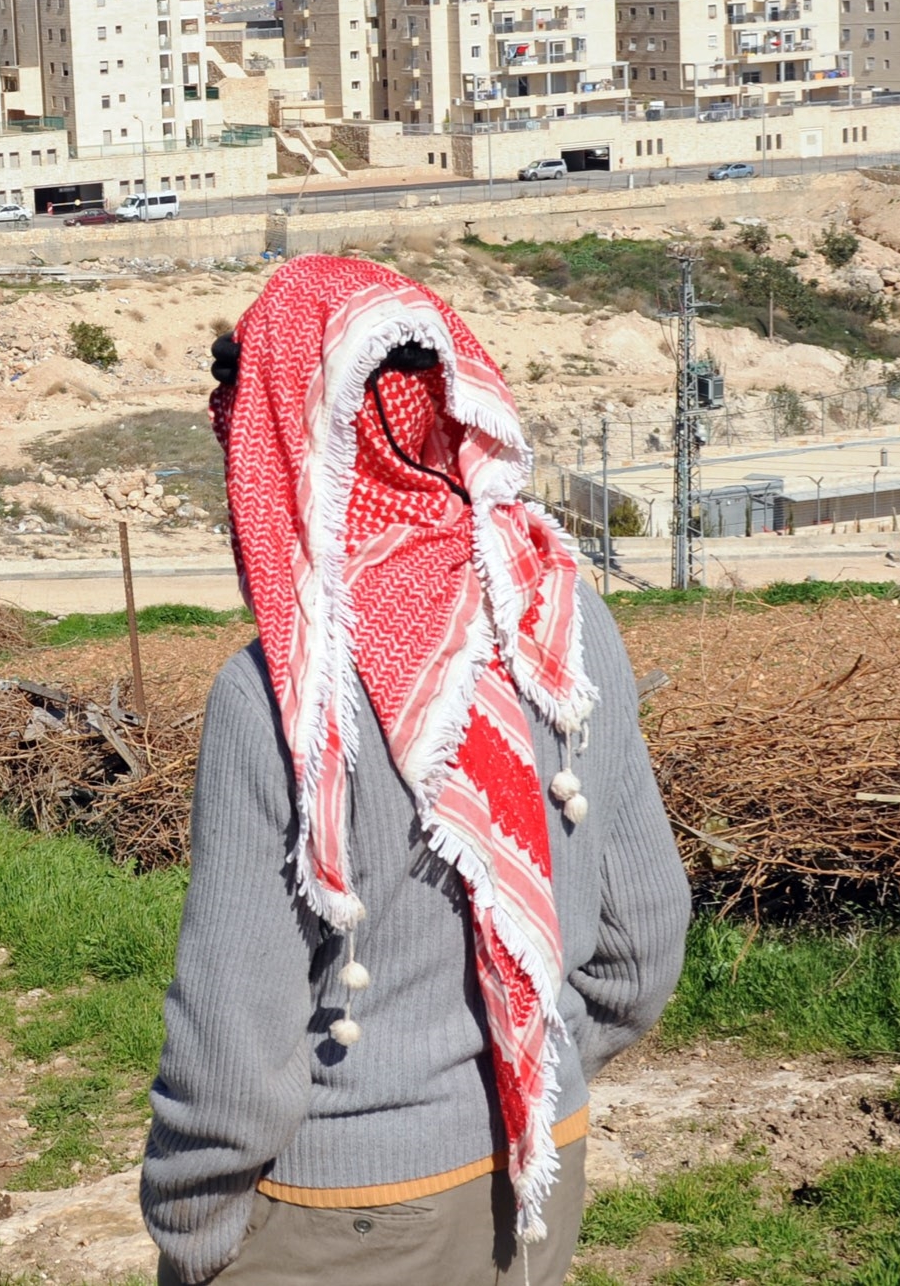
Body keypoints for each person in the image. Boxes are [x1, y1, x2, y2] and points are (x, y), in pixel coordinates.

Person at [142, 256, 691, 1285]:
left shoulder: (276, 697)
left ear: (276, 448)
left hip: (345, 1213)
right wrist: (536, 1070)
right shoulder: (562, 620)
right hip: (540, 1165)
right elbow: (644, 939)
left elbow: (232, 1056)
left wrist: (193, 1235)